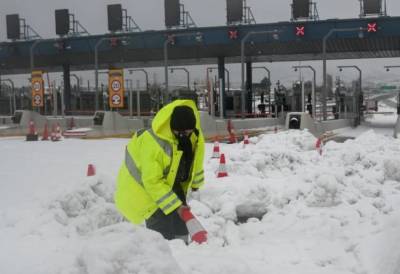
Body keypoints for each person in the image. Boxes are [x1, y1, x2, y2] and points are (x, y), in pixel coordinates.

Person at [115, 99, 205, 242]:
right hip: (142, 189)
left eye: (188, 132)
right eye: (181, 133)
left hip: (166, 183)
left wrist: (194, 185)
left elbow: (195, 159)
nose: (185, 136)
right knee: (161, 223)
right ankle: (164, 254)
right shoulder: (153, 143)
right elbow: (152, 181)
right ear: (173, 128)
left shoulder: (192, 136)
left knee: (180, 220)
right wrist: (176, 206)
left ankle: (183, 251)